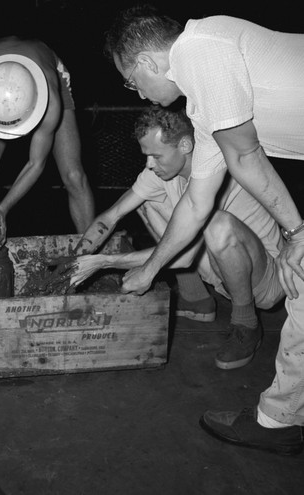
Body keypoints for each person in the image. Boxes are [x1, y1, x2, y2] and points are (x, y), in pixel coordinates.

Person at [103, 4, 304, 454]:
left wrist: (296, 233)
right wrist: (150, 269)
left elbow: (246, 155)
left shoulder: (201, 49)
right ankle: (281, 420)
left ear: (147, 63)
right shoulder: (207, 109)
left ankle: (278, 423)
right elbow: (196, 205)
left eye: (133, 82)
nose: (138, 95)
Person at [69, 105, 285, 370]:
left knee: (218, 226)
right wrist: (78, 259)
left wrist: (104, 262)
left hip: (265, 278)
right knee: (145, 203)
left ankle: (246, 323)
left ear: (185, 145)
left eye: (156, 156)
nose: (149, 165)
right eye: (146, 156)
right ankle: (197, 297)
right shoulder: (162, 172)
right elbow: (111, 216)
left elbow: (183, 255)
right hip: (221, 271)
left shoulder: (219, 171)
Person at [0, 36, 95, 247]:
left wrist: (4, 207)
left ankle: (91, 253)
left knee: (74, 175)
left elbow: (36, 163)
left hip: (49, 72)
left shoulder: (50, 99)